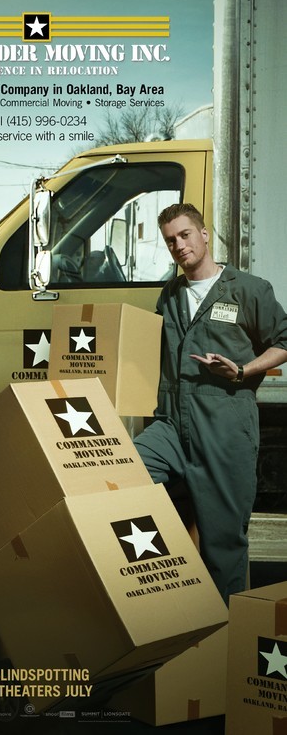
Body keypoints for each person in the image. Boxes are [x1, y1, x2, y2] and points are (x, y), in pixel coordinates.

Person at [134, 203, 287, 604]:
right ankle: (169, 584)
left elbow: (284, 341)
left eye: (185, 235)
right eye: (170, 240)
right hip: (171, 423)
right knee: (124, 472)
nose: (179, 245)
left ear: (204, 234)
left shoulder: (249, 289)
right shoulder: (169, 295)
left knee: (223, 547)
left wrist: (242, 370)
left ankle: (225, 645)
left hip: (224, 425)